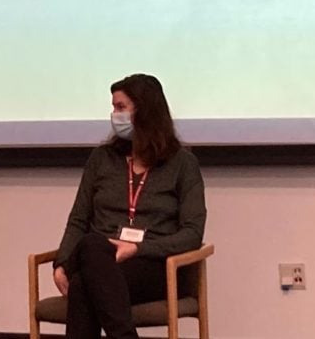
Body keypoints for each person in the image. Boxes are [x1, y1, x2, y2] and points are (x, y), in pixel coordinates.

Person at [53, 74, 206, 339]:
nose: (114, 115)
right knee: (91, 246)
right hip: (101, 257)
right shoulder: (102, 159)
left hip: (156, 266)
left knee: (83, 283)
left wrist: (138, 248)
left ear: (145, 111)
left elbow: (192, 233)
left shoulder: (183, 164)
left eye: (121, 107)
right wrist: (62, 263)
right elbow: (78, 218)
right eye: (113, 107)